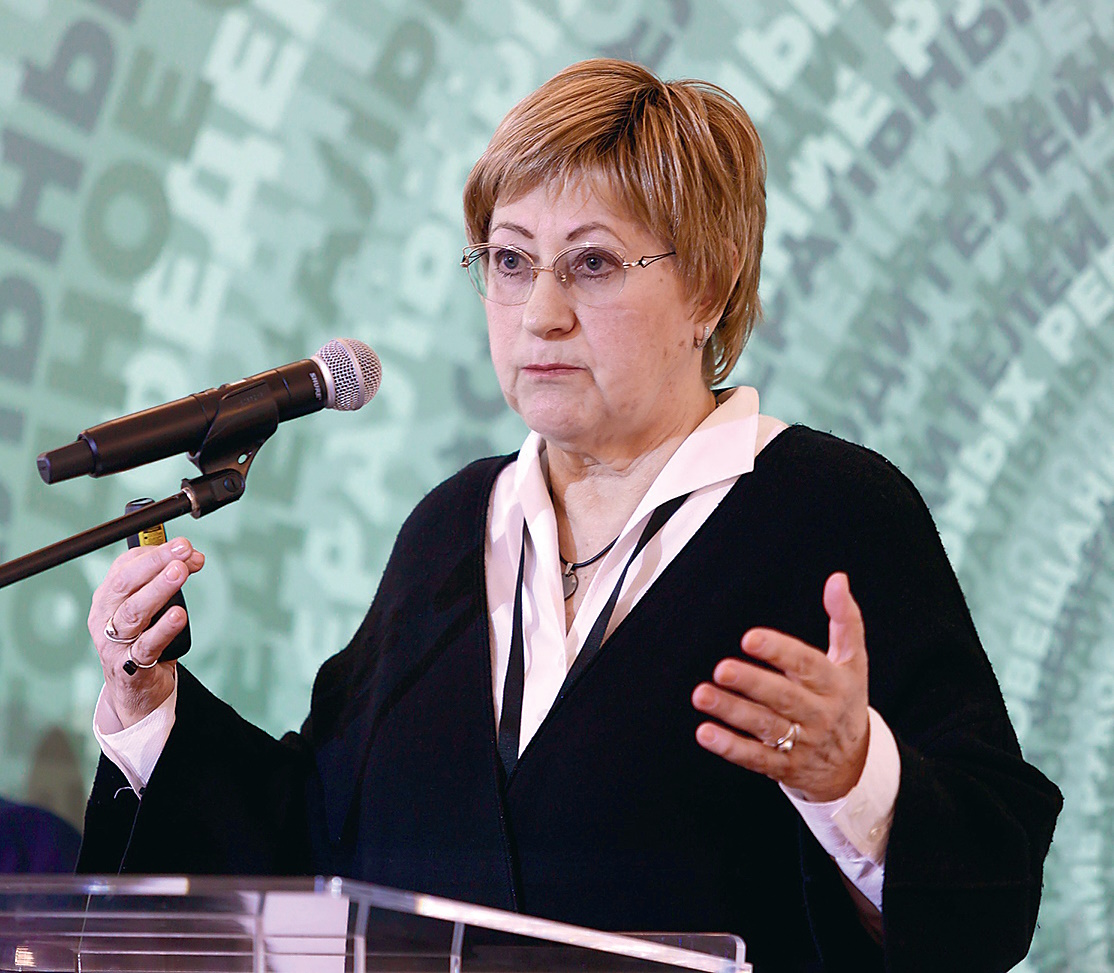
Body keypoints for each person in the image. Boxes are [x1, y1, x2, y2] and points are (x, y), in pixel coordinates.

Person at [77, 59, 1061, 972]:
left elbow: (994, 890)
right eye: (510, 260)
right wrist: (148, 703)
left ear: (708, 287)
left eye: (591, 264)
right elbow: (321, 836)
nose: (539, 311)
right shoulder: (453, 529)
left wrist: (855, 778)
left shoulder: (828, 511)